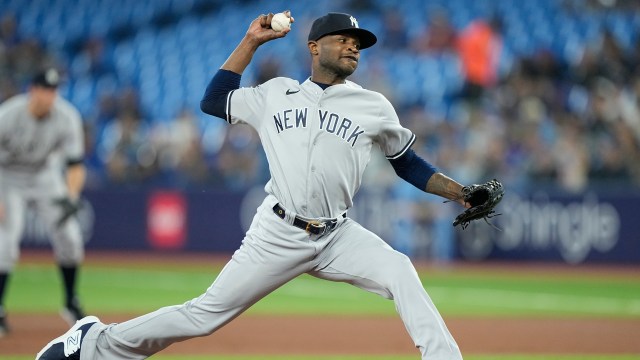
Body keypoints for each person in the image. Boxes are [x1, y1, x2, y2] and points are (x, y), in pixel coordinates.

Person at [36, 12, 468, 359]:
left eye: (359, 43)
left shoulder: (373, 105)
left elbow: (407, 163)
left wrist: (462, 193)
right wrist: (251, 42)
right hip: (278, 232)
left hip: (337, 233)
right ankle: (94, 342)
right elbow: (212, 100)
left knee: (400, 269)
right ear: (315, 47)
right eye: (343, 38)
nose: (354, 45)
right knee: (203, 316)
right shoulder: (275, 94)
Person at [0, 68, 87, 337]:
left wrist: (70, 197)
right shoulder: (9, 114)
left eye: (54, 90)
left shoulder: (67, 116)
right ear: (32, 90)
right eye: (45, 89)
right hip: (8, 176)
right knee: (5, 242)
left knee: (71, 237)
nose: (50, 95)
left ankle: (70, 301)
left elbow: (75, 165)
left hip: (45, 176)